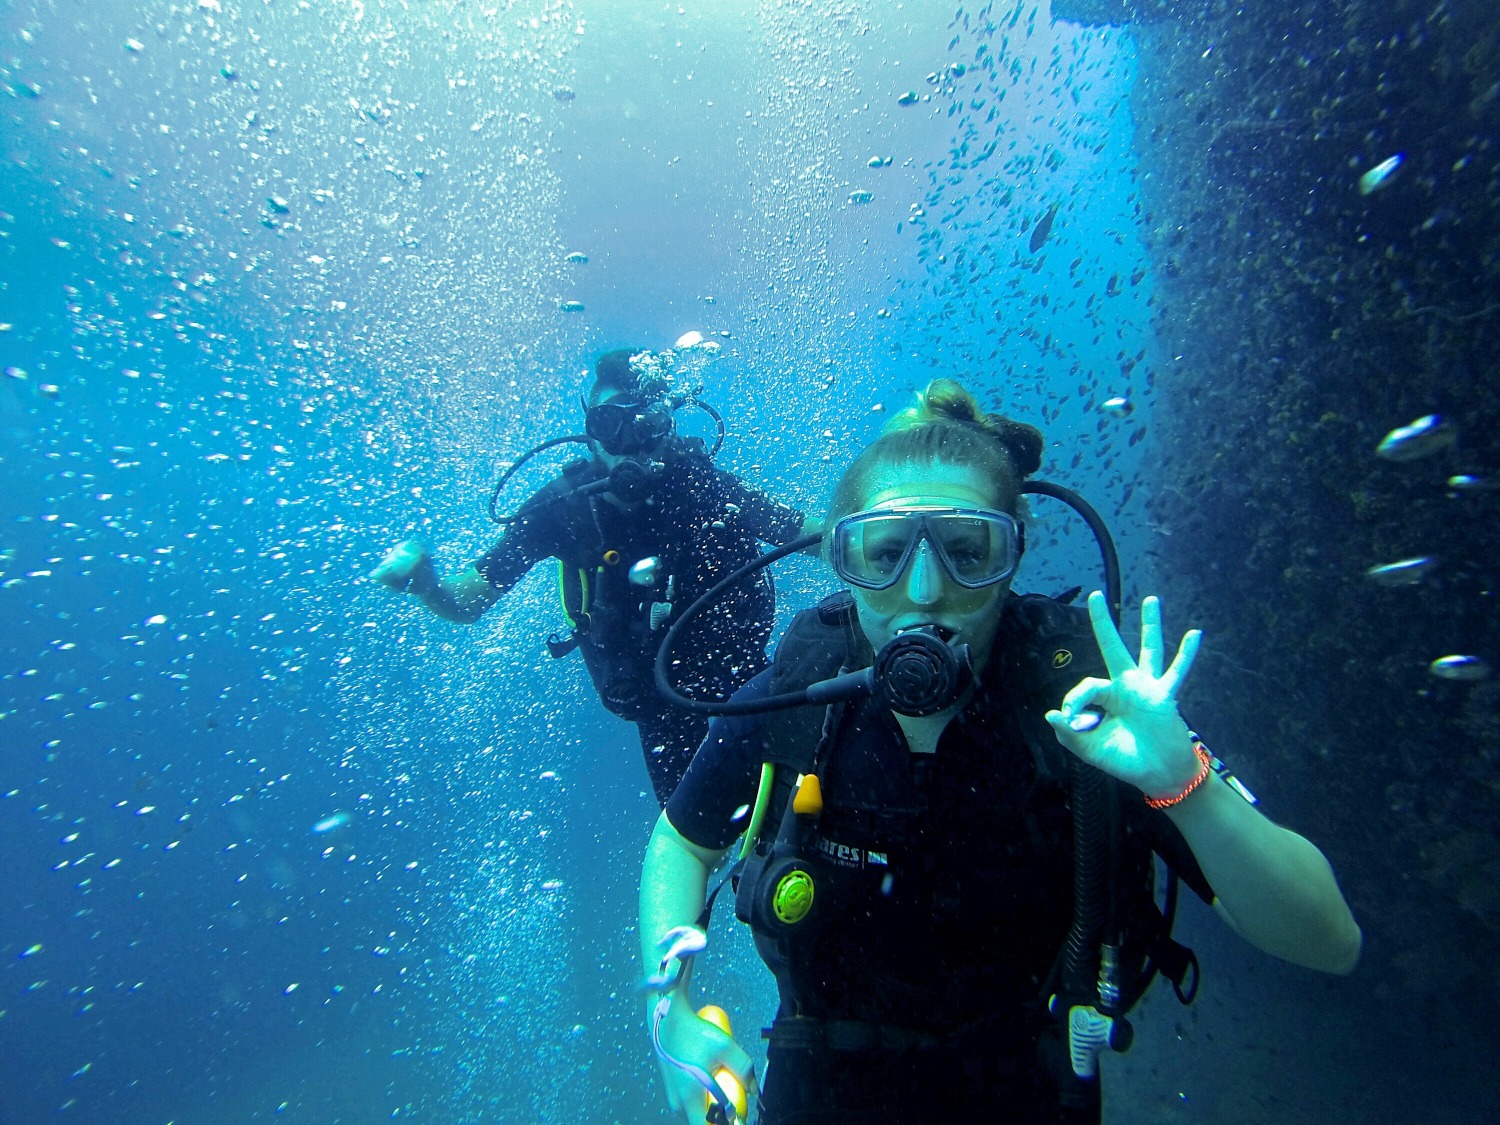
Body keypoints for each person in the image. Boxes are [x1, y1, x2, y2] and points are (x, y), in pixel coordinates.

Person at [638, 379, 1361, 1124]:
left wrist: (1188, 783)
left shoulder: (1091, 707)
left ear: (1013, 552)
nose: (923, 591)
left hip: (1027, 1086)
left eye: (966, 551)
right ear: (838, 558)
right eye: (883, 553)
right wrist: (670, 1016)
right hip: (817, 1081)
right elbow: (681, 842)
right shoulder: (799, 694)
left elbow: (1329, 939)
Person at [373, 348, 817, 805]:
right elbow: (465, 603)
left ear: (666, 424)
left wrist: (883, 526)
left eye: (645, 424)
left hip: (749, 682)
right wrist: (424, 582)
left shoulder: (705, 485)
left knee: (801, 819)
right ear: (590, 431)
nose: (630, 443)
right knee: (705, 845)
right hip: (660, 706)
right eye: (609, 424)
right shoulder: (563, 510)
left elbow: (816, 536)